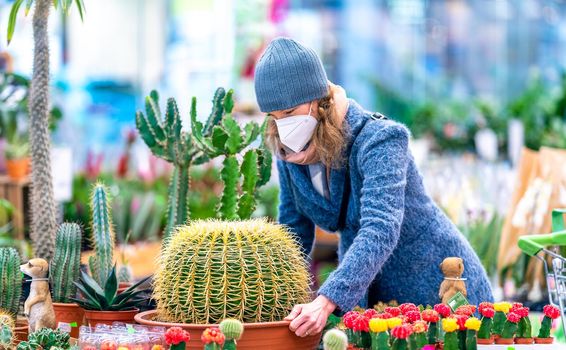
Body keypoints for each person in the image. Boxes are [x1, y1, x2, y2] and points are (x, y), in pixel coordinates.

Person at [253, 37, 493, 338]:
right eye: (274, 116)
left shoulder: (381, 140)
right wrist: (279, 300)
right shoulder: (289, 154)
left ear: (318, 99)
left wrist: (326, 301)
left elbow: (380, 228)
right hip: (376, 304)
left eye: (289, 112)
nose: (283, 124)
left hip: (439, 286)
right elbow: (294, 229)